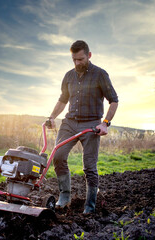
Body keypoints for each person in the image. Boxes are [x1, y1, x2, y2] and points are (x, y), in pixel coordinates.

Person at [47, 40, 118, 214]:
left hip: (92, 124)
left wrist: (105, 123)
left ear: (89, 55)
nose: (77, 63)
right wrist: (51, 117)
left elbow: (114, 100)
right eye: (74, 60)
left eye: (80, 59)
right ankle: (64, 195)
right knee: (58, 156)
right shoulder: (68, 76)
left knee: (89, 166)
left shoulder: (100, 74)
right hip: (70, 122)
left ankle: (90, 205)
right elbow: (63, 100)